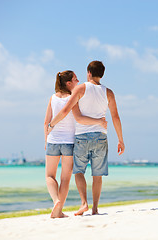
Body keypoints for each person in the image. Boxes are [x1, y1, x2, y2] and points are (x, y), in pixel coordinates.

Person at [47, 60, 125, 216]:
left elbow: (65, 111)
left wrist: (51, 125)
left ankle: (84, 203)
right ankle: (95, 209)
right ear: (102, 74)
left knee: (79, 172)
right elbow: (115, 117)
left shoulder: (81, 88)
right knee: (97, 175)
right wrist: (120, 139)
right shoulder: (108, 92)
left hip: (82, 136)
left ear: (89, 72)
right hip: (101, 137)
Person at [44, 70, 107, 218]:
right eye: (75, 80)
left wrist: (46, 139)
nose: (78, 82)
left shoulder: (52, 98)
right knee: (65, 179)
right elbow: (79, 117)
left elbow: (46, 122)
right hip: (69, 143)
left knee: (49, 176)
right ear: (68, 83)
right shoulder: (74, 97)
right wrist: (99, 121)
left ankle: (56, 202)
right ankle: (59, 210)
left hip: (53, 140)